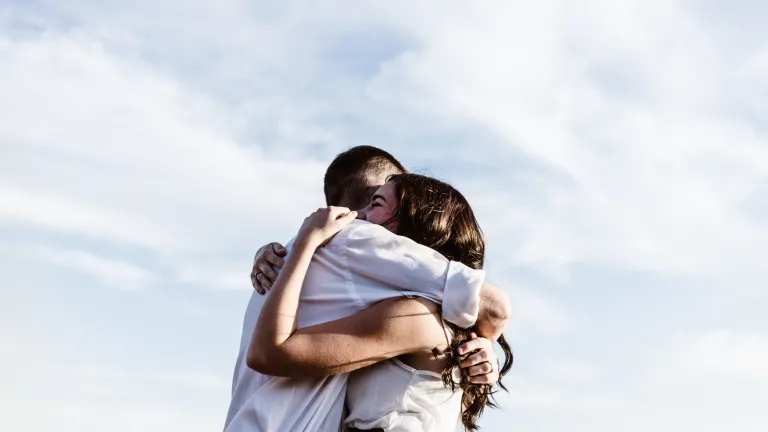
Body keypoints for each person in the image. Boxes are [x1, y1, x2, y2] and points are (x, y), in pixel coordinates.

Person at [223, 146, 510, 432]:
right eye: (374, 200)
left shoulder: (414, 313)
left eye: (376, 204)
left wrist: (481, 344)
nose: (355, 216)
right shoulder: (356, 246)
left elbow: (492, 308)